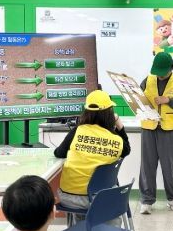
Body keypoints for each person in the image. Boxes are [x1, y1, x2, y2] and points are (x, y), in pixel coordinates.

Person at [54, 89, 130, 217]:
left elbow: (59, 153)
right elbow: (127, 150)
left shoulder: (77, 131)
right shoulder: (116, 139)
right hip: (101, 199)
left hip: (70, 198)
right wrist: (120, 126)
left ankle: (81, 226)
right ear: (109, 113)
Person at [139, 52, 173, 214]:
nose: (160, 76)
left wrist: (169, 100)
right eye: (158, 72)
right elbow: (137, 98)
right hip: (148, 127)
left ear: (171, 68)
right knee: (147, 166)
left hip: (168, 129)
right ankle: (147, 201)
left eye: (163, 73)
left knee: (169, 166)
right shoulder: (147, 80)